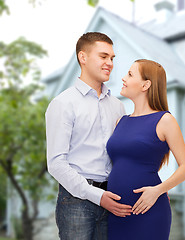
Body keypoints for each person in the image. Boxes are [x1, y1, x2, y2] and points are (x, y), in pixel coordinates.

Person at [45, 32, 133, 240]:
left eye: (112, 58)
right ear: (83, 58)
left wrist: (155, 185)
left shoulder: (118, 106)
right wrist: (97, 196)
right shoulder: (63, 103)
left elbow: (122, 156)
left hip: (113, 198)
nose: (110, 63)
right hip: (76, 202)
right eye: (103, 57)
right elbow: (56, 163)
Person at [106, 59, 185, 239]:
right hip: (115, 213)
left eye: (130, 74)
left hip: (149, 212)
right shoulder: (120, 121)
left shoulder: (165, 120)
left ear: (146, 84)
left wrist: (158, 190)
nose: (123, 78)